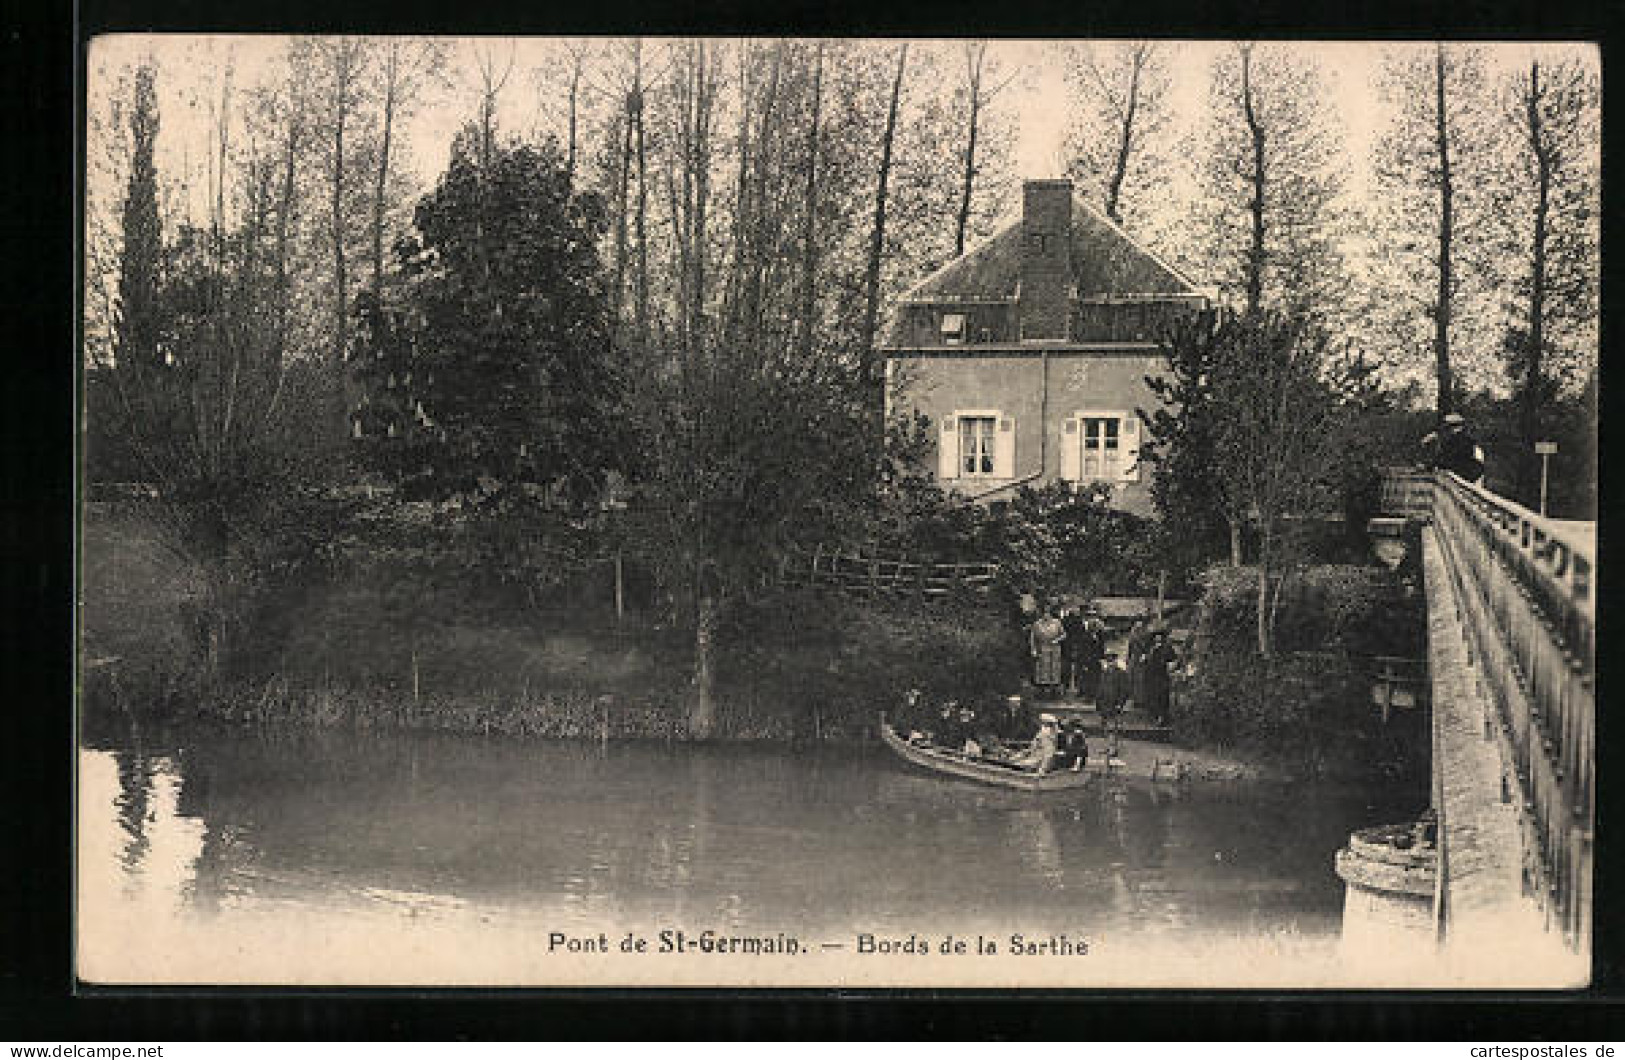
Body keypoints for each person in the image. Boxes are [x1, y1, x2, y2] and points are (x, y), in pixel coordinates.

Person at [1422, 412, 1485, 484]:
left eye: (1453, 426)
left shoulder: (1462, 441)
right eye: (1449, 427)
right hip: (1463, 475)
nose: (1451, 429)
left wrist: (1434, 465)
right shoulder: (1451, 441)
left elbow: (1449, 459)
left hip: (1466, 475)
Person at [1029, 604, 1067, 698]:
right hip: (1042, 647)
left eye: (1048, 613)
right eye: (1044, 613)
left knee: (1054, 668)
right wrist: (1033, 649)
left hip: (1055, 648)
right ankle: (1042, 690)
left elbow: (1064, 634)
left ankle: (1054, 690)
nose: (1046, 615)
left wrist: (1057, 640)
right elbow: (1032, 638)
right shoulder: (1037, 624)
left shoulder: (1057, 623)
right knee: (1043, 668)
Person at [1061, 604, 1089, 695]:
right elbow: (1082, 634)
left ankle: (1066, 686)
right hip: (1077, 646)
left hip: (1067, 646)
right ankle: (1077, 687)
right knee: (1077, 667)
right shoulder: (1079, 621)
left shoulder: (1064, 620)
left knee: (1067, 667)